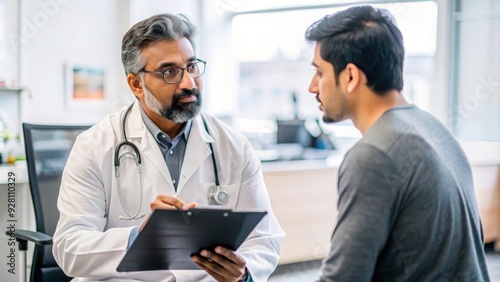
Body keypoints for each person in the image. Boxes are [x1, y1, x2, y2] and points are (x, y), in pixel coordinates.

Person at [52, 13, 284, 282]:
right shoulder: (94, 146)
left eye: (192, 66)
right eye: (169, 72)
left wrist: (242, 275)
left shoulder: (234, 146)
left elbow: (264, 239)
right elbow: (69, 247)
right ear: (136, 84)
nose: (188, 83)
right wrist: (139, 238)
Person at [306, 5, 489, 282]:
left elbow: (343, 277)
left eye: (320, 73)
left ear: (351, 76)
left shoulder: (374, 154)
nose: (312, 86)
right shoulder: (435, 129)